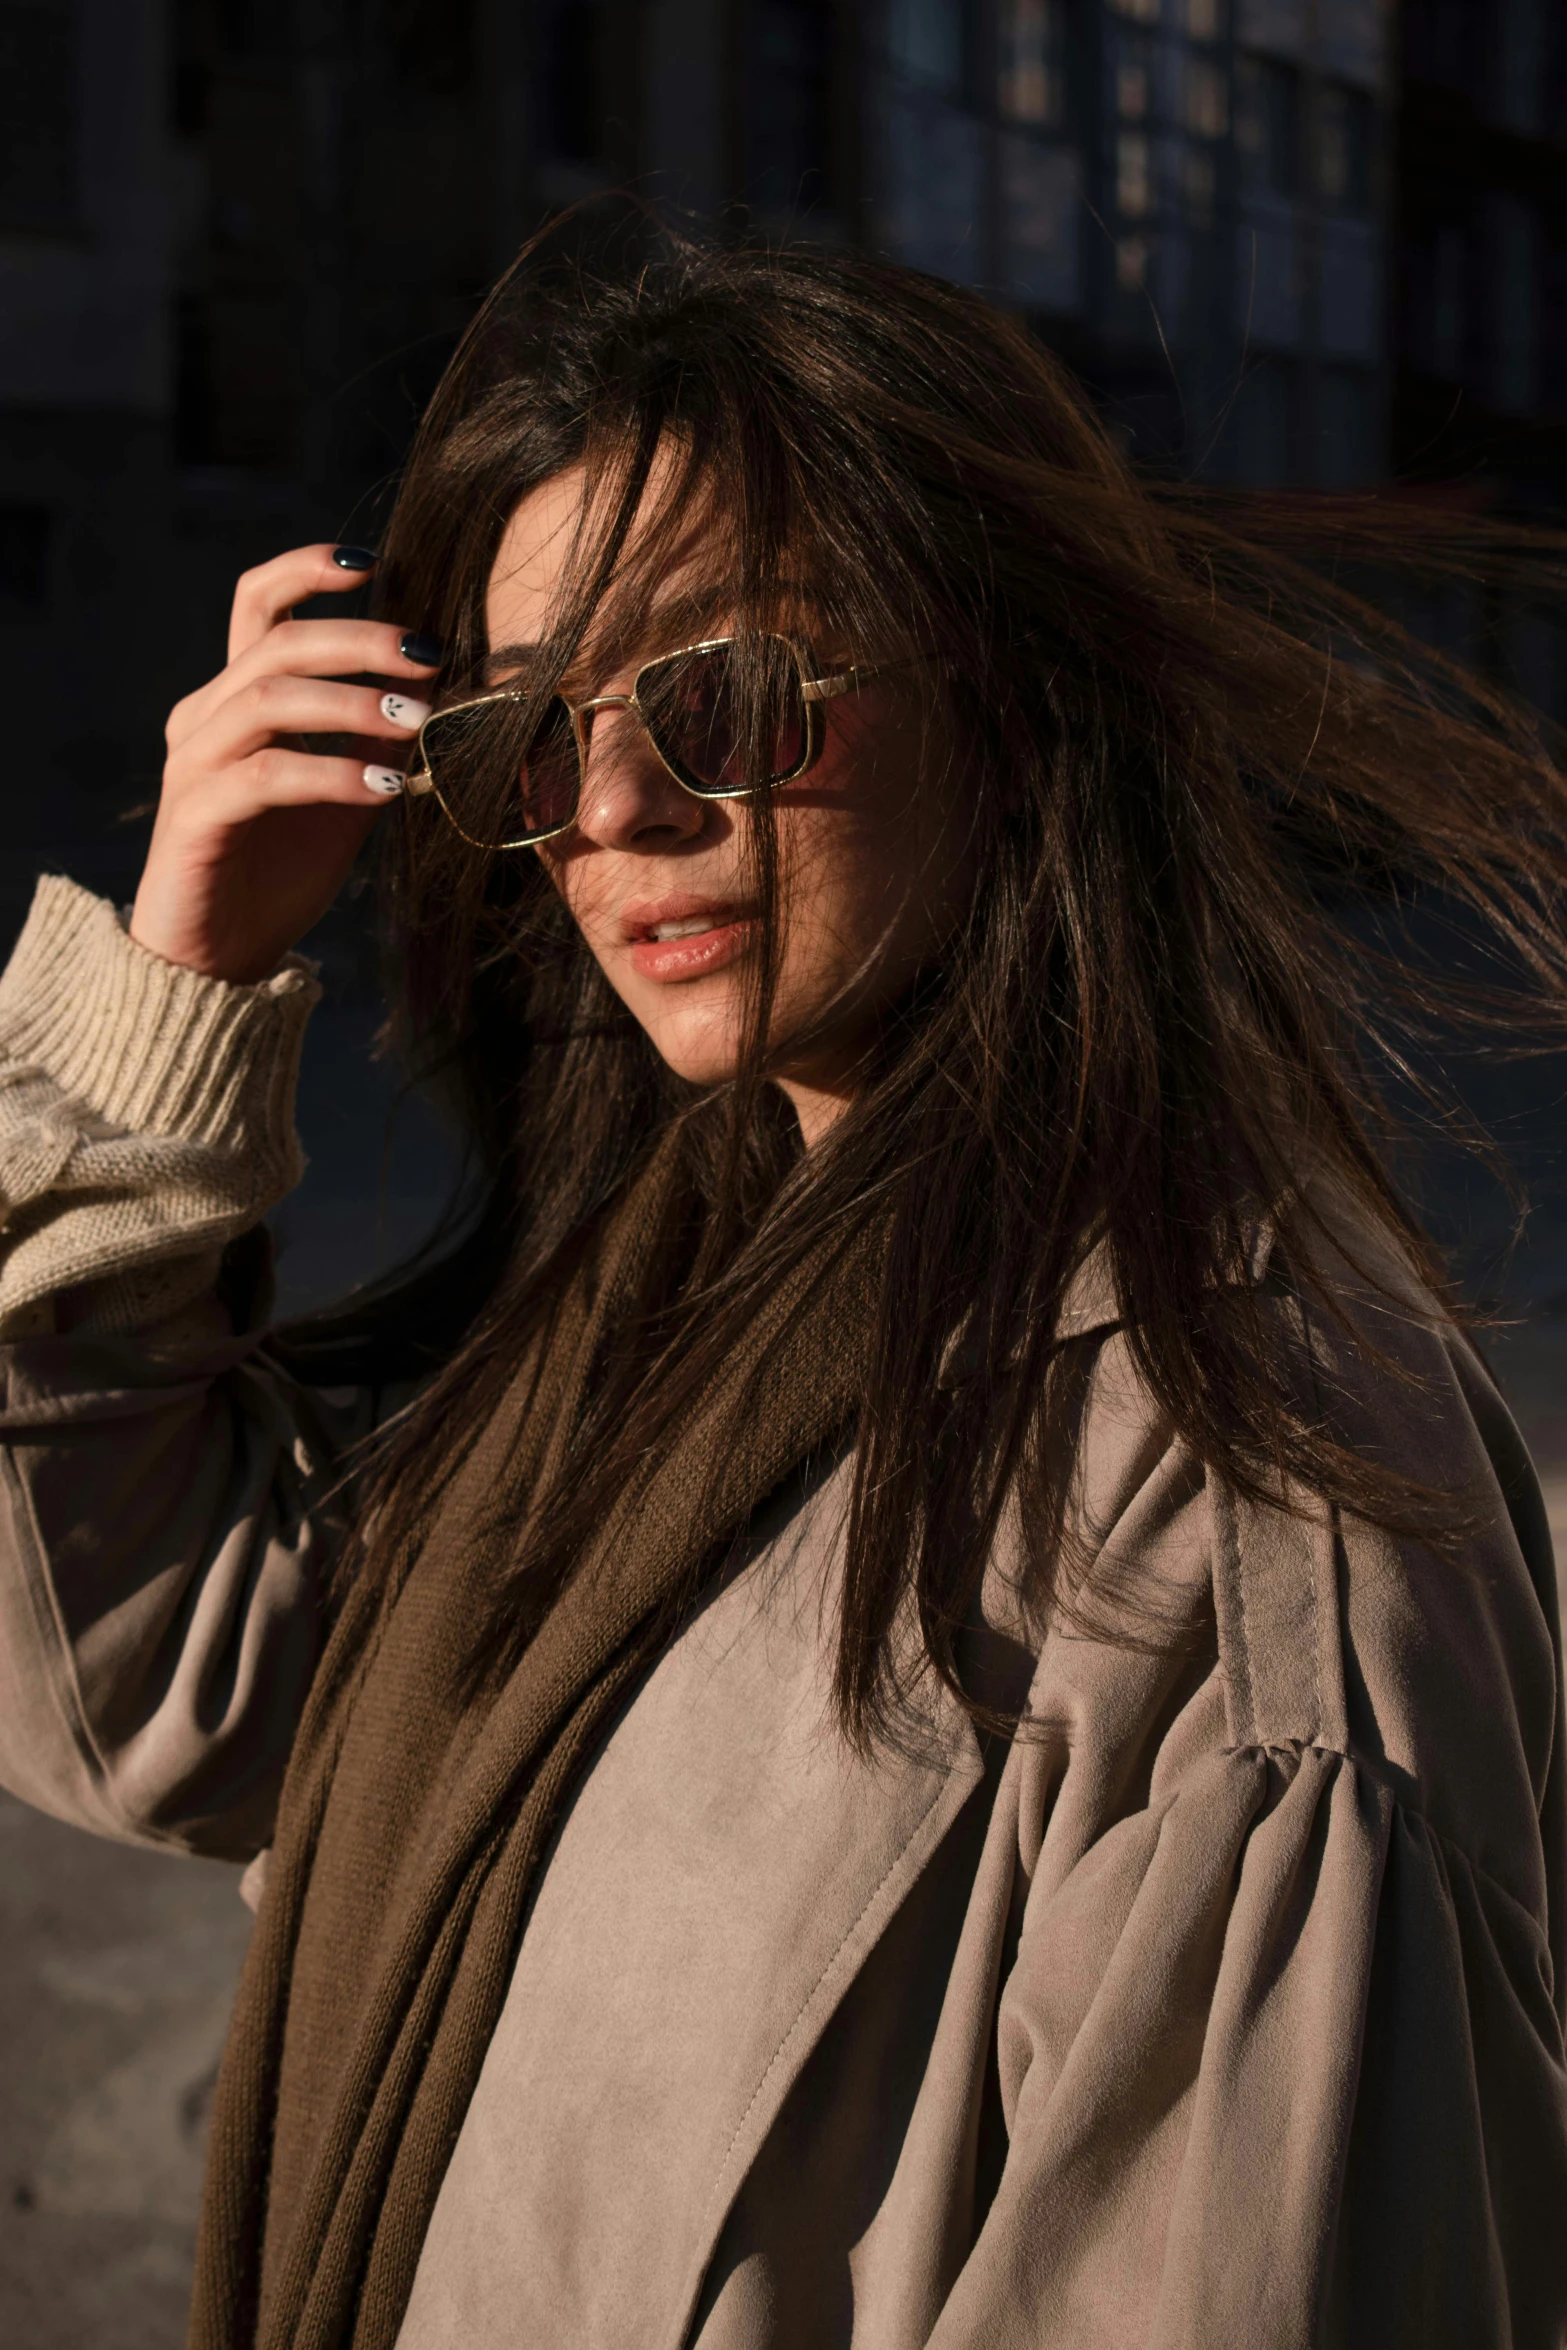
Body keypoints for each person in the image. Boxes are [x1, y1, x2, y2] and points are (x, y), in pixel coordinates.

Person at [0, 220, 1564, 2350]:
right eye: (521, 743)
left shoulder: (1246, 1532)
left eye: (719, 697)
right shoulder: (652, 1301)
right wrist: (178, 984)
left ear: (999, 679)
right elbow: (136, 1674)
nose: (615, 812)